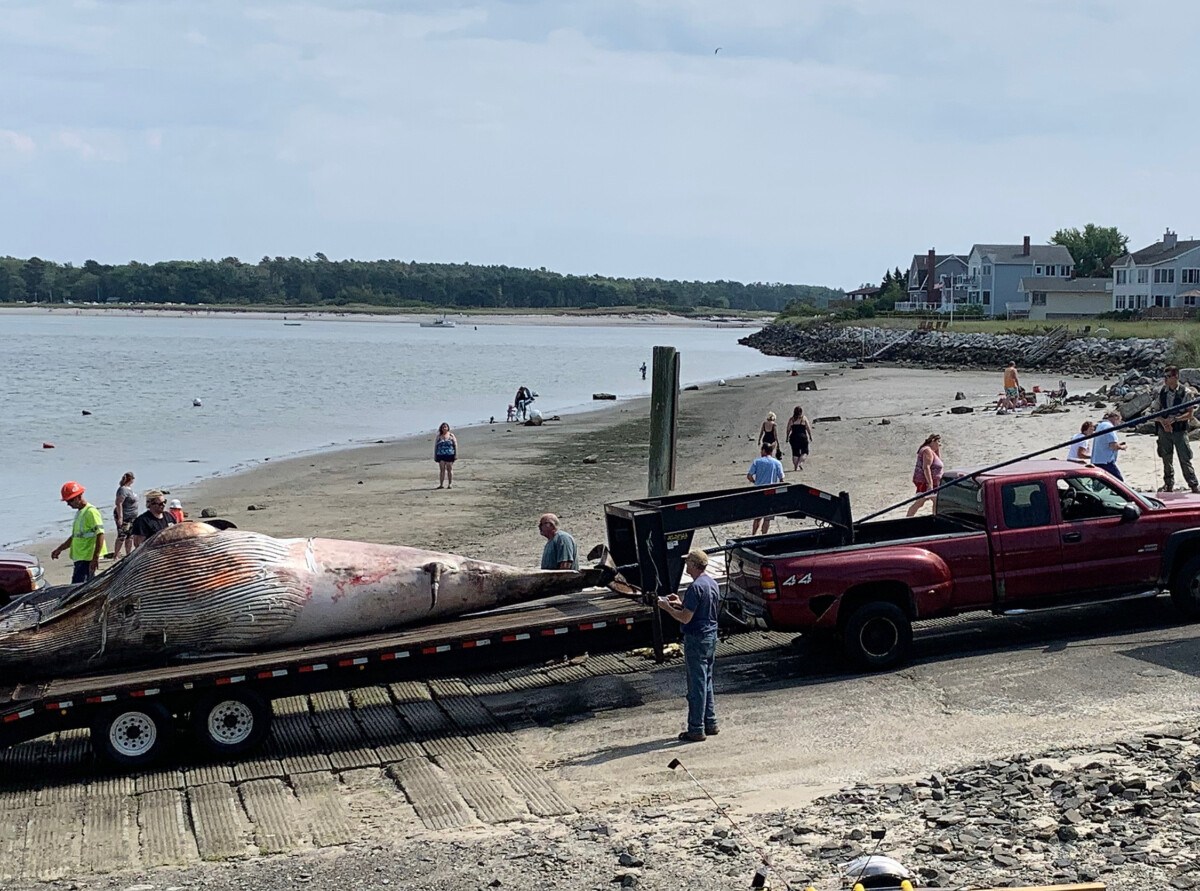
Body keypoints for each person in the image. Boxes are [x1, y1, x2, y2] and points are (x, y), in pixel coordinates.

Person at [656, 549, 720, 743]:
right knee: (706, 681)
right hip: (710, 636)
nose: (685, 566)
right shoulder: (711, 583)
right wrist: (681, 603)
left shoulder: (695, 587)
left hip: (696, 638)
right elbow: (696, 609)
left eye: (687, 563)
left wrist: (667, 608)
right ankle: (710, 722)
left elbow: (686, 617)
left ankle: (696, 728)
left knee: (696, 685)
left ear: (693, 565)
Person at [50, 481, 107, 583]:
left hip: (87, 558)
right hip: (80, 557)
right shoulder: (80, 513)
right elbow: (75, 537)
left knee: (78, 587)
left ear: (79, 497)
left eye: (70, 500)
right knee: (81, 586)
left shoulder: (91, 512)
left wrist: (95, 558)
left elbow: (100, 534)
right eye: (67, 501)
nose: (68, 504)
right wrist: (60, 549)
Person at [1155, 365, 1200, 493]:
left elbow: (1190, 414)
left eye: (1168, 376)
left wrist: (1174, 420)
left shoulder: (1186, 393)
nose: (1166, 379)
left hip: (1179, 430)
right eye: (1165, 376)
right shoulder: (1162, 392)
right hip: (1164, 431)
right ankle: (1168, 484)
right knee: (1166, 458)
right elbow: (1155, 411)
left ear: (1176, 377)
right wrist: (1163, 421)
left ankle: (1193, 484)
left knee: (1184, 458)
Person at [746, 443, 785, 534]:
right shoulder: (777, 463)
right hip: (771, 492)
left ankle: (753, 535)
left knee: (757, 517)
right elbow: (782, 479)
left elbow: (749, 476)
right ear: (771, 451)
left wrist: (755, 482)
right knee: (767, 519)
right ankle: (764, 535)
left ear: (763, 450)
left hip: (759, 492)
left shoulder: (757, 462)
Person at [906, 434, 944, 517]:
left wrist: (937, 450)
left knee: (935, 502)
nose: (939, 444)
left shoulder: (931, 451)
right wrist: (929, 484)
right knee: (921, 502)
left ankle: (935, 517)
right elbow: (926, 467)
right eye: (938, 442)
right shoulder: (927, 451)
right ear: (933, 441)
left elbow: (938, 462)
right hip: (926, 482)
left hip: (934, 482)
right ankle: (908, 518)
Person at [110, 471, 138, 560]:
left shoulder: (129, 489)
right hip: (125, 516)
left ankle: (128, 554)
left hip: (132, 516)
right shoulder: (122, 490)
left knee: (130, 536)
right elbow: (119, 503)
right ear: (131, 479)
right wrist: (120, 517)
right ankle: (116, 555)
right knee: (122, 536)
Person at [1093, 411, 1127, 481]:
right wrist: (1122, 447)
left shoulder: (1101, 425)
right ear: (1116, 418)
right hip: (1106, 461)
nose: (1119, 424)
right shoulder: (1109, 427)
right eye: (1119, 421)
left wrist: (1118, 444)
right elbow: (1113, 446)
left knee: (1102, 483)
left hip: (1097, 459)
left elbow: (1105, 442)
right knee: (1119, 482)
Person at [785, 405, 813, 472]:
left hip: (793, 437)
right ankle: (800, 463)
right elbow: (808, 428)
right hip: (802, 436)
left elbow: (788, 429)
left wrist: (787, 437)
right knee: (805, 452)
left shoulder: (791, 419)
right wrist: (810, 436)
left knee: (795, 452)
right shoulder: (803, 418)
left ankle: (795, 467)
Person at [434, 422, 459, 489]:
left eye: (445, 427)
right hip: (441, 454)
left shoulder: (451, 435)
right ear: (441, 428)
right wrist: (435, 455)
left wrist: (456, 454)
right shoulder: (439, 436)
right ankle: (441, 484)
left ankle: (450, 484)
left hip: (450, 454)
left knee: (449, 469)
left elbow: (455, 445)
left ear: (448, 428)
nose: (444, 428)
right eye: (443, 427)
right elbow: (436, 446)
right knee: (442, 470)